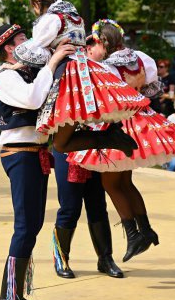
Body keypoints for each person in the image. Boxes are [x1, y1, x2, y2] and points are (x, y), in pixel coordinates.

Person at [67, 21, 175, 262]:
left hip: (118, 123)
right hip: (141, 120)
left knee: (111, 183)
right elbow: (150, 89)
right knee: (125, 181)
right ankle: (145, 229)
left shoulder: (106, 66)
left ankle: (134, 234)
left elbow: (106, 99)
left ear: (102, 42)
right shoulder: (140, 57)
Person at [3, 0, 149, 156]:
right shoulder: (74, 16)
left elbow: (36, 47)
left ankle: (109, 138)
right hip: (84, 69)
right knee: (61, 142)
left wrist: (15, 66)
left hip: (68, 73)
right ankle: (110, 137)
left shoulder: (51, 19)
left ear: (37, 3)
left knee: (61, 144)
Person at [0, 23, 75, 300]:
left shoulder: (26, 74)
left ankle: (15, 295)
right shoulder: (5, 77)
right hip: (20, 154)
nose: (29, 42)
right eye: (23, 39)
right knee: (25, 226)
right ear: (10, 48)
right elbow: (32, 99)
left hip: (35, 153)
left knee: (34, 225)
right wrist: (52, 62)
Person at [52, 36, 124, 279]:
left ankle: (106, 258)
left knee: (97, 205)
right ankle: (61, 259)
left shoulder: (102, 73)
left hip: (95, 145)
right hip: (69, 147)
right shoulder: (63, 74)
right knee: (70, 207)